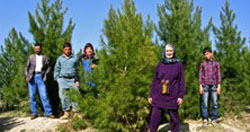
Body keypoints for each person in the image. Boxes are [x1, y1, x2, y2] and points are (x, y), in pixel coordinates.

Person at [149, 44, 185, 132]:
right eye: (167, 51)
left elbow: (181, 81)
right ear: (164, 52)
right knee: (155, 115)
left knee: (174, 117)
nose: (169, 53)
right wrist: (151, 95)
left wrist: (180, 96)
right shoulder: (160, 64)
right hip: (158, 94)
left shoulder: (178, 64)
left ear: (174, 52)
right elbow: (154, 81)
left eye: (170, 51)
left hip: (173, 94)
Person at [25, 43, 54, 120]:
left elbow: (49, 67)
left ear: (41, 49)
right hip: (32, 77)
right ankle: (34, 113)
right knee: (32, 96)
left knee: (44, 95)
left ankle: (49, 113)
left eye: (38, 48)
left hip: (41, 77)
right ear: (34, 49)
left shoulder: (45, 57)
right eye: (36, 48)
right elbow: (26, 67)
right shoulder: (31, 57)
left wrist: (46, 75)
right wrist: (27, 76)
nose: (37, 50)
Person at [54, 42, 80, 119]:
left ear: (71, 49)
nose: (67, 51)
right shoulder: (60, 59)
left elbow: (78, 69)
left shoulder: (75, 58)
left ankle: (76, 113)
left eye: (69, 49)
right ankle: (66, 113)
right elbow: (56, 69)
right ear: (63, 50)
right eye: (66, 50)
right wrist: (57, 79)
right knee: (63, 96)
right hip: (63, 79)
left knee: (75, 95)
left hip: (73, 80)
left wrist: (77, 80)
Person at [199, 47, 221, 125]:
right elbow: (201, 75)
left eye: (207, 54)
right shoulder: (203, 64)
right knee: (204, 103)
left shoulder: (216, 63)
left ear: (211, 53)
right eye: (205, 54)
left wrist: (219, 86)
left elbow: (218, 74)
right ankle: (205, 119)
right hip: (205, 85)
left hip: (214, 85)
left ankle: (214, 119)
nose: (206, 56)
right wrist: (200, 86)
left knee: (215, 103)